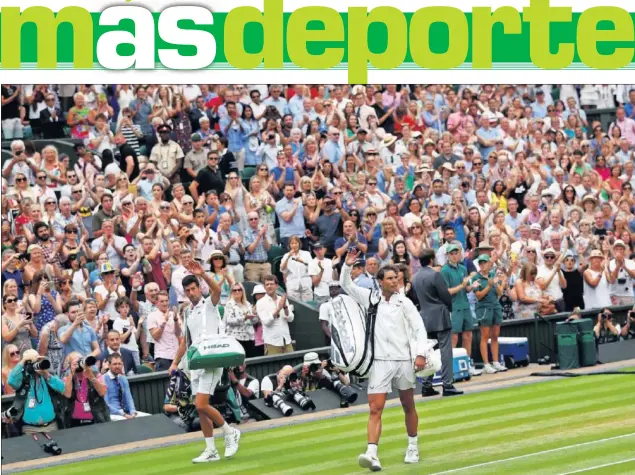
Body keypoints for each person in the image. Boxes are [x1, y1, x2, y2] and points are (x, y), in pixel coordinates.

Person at [340, 249, 428, 470]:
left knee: (408, 404)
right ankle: (372, 453)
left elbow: (419, 329)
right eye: (390, 278)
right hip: (380, 362)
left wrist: (420, 354)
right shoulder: (370, 298)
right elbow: (346, 286)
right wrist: (347, 266)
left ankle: (413, 446)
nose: (395, 282)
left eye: (397, 278)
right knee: (375, 408)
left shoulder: (404, 302)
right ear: (380, 282)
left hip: (404, 361)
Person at [168, 261, 241, 464]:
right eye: (188, 290)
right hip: (196, 362)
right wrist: (175, 362)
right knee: (200, 408)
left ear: (199, 288)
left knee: (201, 403)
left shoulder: (210, 304)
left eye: (194, 288)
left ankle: (229, 431)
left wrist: (204, 275)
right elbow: (185, 340)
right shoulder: (188, 312)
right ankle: (211, 450)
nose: (191, 292)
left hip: (212, 359)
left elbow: (217, 290)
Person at [414, 247, 465, 397]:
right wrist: (447, 309)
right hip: (440, 315)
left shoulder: (415, 277)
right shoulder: (435, 275)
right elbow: (446, 296)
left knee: (428, 352)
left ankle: (427, 386)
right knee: (445, 352)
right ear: (431, 259)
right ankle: (447, 385)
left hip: (424, 317)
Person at [439, 244, 481, 377]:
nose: (454, 255)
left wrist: (472, 286)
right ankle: (452, 367)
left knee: (468, 335)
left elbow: (466, 289)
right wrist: (462, 286)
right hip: (453, 307)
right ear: (447, 255)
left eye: (456, 253)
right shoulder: (444, 270)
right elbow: (447, 292)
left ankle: (467, 364)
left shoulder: (463, 268)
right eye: (451, 253)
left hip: (465, 306)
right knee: (454, 337)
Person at [7, 349, 67, 434]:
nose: (35, 365)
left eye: (38, 361)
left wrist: (47, 375)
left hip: (51, 426)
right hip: (29, 429)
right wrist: (23, 361)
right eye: (32, 363)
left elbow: (62, 388)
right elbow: (11, 381)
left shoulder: (47, 375)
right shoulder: (22, 378)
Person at [471, 255, 508, 374]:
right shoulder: (475, 279)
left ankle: (496, 362)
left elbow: (499, 293)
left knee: (495, 335)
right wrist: (489, 286)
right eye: (481, 263)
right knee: (485, 336)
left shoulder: (493, 275)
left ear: (489, 263)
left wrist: (496, 285)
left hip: (495, 306)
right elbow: (479, 296)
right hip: (484, 308)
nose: (483, 265)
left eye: (485, 262)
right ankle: (486, 364)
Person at [62, 351, 110, 427]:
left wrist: (90, 376)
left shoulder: (95, 374)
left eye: (80, 361)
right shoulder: (67, 379)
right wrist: (71, 372)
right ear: (70, 365)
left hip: (96, 419)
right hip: (74, 422)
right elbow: (67, 394)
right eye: (75, 363)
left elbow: (103, 392)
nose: (78, 364)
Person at [103, 353, 150, 421]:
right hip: (112, 414)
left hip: (126, 412)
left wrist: (133, 412)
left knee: (148, 417)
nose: (117, 366)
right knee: (125, 421)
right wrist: (123, 414)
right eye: (115, 364)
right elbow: (106, 405)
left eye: (119, 364)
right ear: (109, 365)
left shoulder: (123, 378)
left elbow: (129, 398)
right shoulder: (103, 379)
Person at [256, 275, 295, 355]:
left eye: (271, 284)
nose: (269, 286)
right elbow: (266, 322)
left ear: (276, 286)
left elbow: (290, 319)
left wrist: (285, 307)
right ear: (264, 287)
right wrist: (278, 309)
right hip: (272, 343)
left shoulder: (282, 299)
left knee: (291, 367)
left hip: (286, 340)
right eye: (267, 284)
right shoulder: (260, 302)